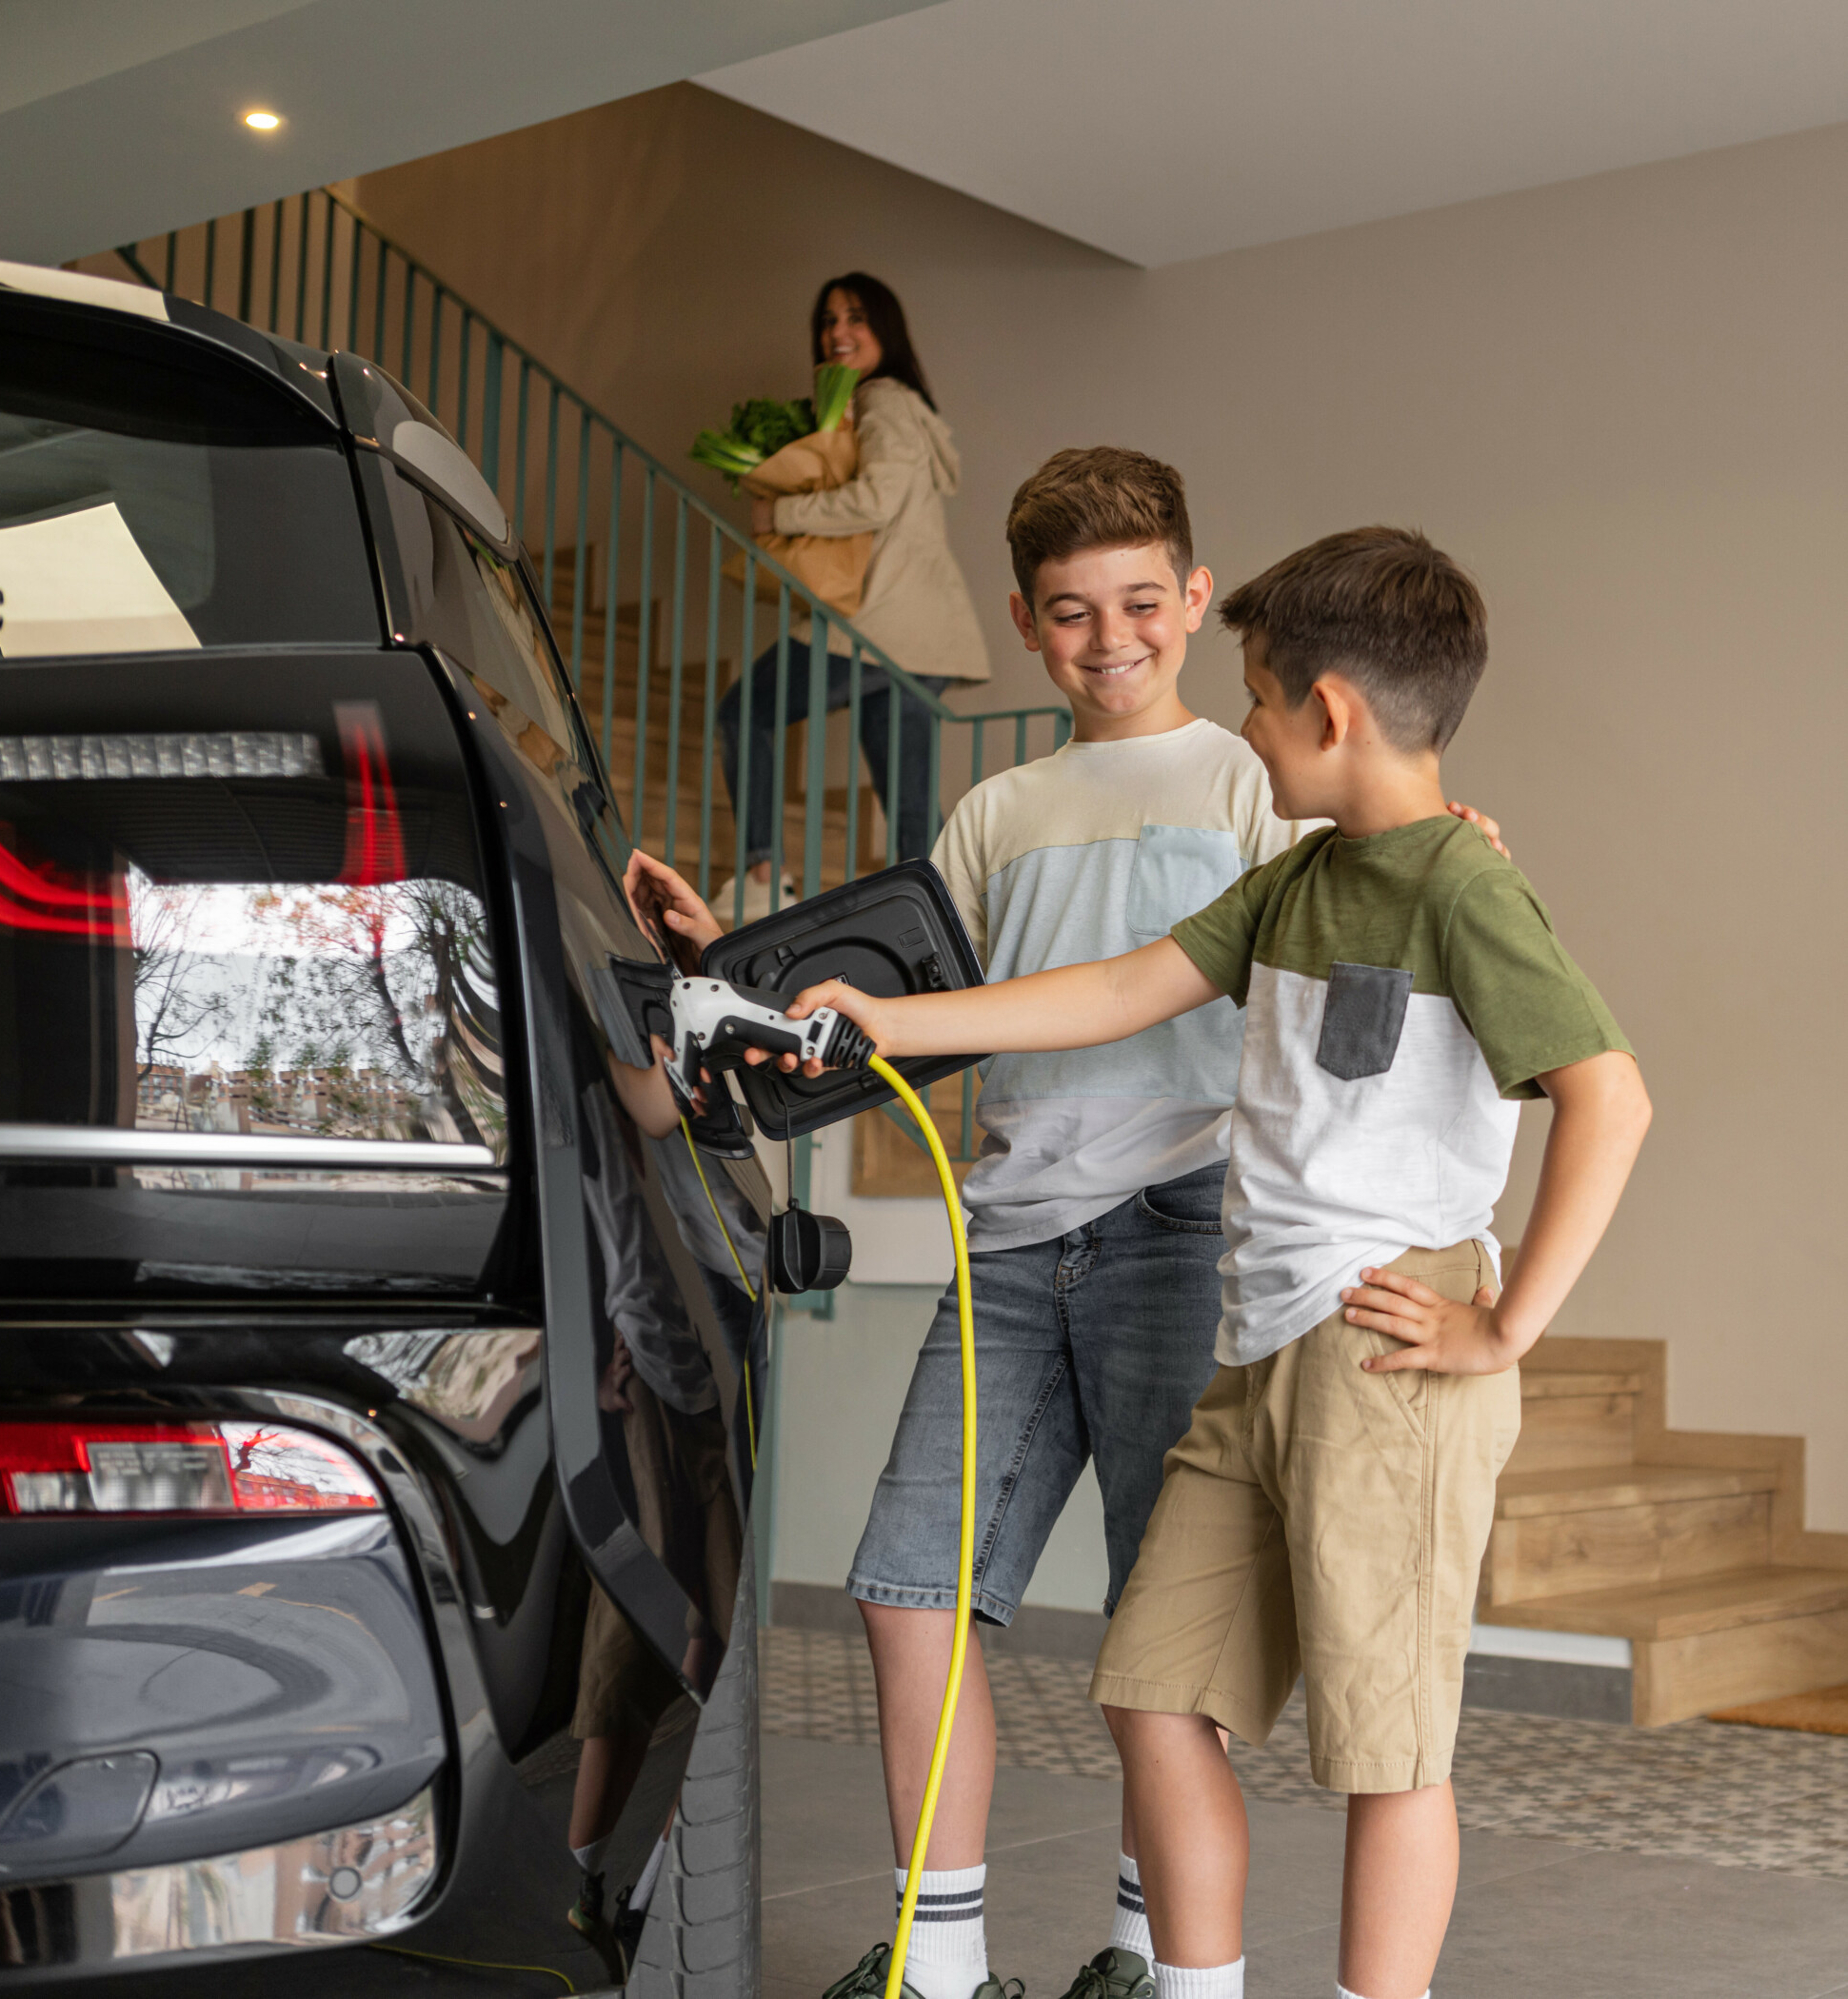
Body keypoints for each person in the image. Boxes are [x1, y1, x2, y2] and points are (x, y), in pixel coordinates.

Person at [628, 458, 1511, 1999]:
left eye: (1142, 603)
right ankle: (942, 1965)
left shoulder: (1261, 778)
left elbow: (1376, 881)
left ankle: (1149, 1953)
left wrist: (1462, 854)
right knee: (911, 1589)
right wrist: (740, 969)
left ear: (1190, 597)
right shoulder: (996, 809)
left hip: (1190, 1223)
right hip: (1010, 1244)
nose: (1110, 637)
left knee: (1159, 1642)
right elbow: (926, 999)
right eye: (1069, 613)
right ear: (1031, 629)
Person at [714, 274, 989, 920]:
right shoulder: (908, 406)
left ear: (885, 329)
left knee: (742, 713)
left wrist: (780, 514)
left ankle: (761, 873)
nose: (837, 332)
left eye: (855, 318)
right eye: (828, 320)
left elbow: (876, 499)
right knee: (911, 809)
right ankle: (952, 927)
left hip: (883, 625)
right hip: (926, 635)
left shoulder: (881, 400)